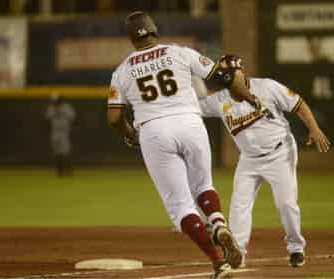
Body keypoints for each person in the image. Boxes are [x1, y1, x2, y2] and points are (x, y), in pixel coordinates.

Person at [106, 11, 266, 278]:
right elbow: (223, 76)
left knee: (180, 206)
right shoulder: (181, 52)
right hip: (190, 122)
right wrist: (249, 97)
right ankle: (219, 224)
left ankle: (218, 262)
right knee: (203, 185)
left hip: (153, 131)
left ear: (131, 39)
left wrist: (130, 133)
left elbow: (113, 117)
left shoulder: (122, 71)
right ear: (154, 30)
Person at [198, 57, 330, 268]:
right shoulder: (219, 100)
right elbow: (192, 108)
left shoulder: (266, 87)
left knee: (286, 204)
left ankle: (296, 247)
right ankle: (237, 253)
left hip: (279, 152)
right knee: (239, 205)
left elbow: (298, 103)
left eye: (234, 72)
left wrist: (313, 128)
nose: (231, 77)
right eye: (226, 74)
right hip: (248, 159)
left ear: (242, 72)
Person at [46, 93, 76, 177]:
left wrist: (70, 129)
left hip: (64, 132)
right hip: (55, 132)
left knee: (66, 151)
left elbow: (73, 119)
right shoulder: (51, 109)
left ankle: (69, 170)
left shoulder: (67, 108)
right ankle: (59, 170)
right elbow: (48, 120)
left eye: (57, 101)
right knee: (57, 152)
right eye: (54, 101)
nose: (55, 102)